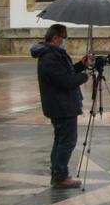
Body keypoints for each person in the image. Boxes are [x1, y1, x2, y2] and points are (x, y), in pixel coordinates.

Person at [31, 24, 90, 189]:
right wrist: (83, 77)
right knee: (67, 141)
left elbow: (66, 72)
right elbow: (63, 81)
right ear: (56, 38)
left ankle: (58, 173)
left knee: (61, 140)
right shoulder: (50, 57)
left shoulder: (54, 54)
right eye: (64, 38)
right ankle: (60, 175)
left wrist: (81, 65)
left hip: (61, 104)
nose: (66, 41)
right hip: (61, 105)